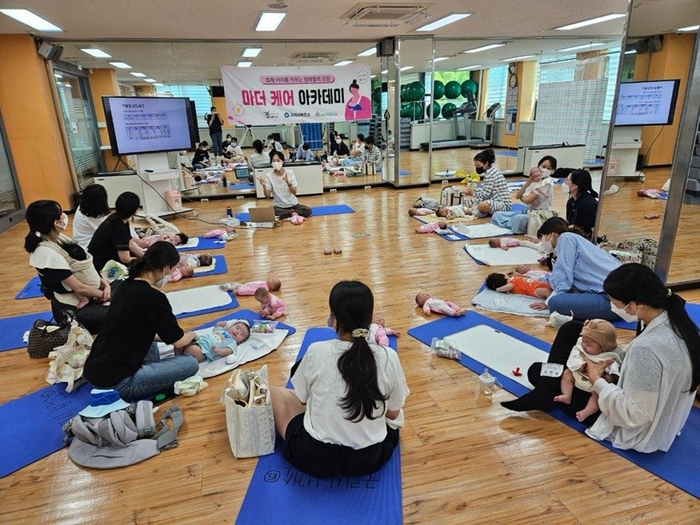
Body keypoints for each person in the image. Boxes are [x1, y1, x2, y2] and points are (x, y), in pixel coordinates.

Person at [270, 280, 409, 478]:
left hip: (315, 458)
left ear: (333, 319)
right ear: (369, 319)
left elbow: (302, 400)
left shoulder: (316, 351)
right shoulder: (388, 356)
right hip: (369, 459)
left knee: (277, 393)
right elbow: (393, 414)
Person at [584, 264, 700, 452]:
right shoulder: (677, 320)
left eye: (615, 302)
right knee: (572, 331)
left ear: (637, 304)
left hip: (638, 430)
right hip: (665, 414)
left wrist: (596, 379)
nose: (613, 306)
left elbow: (636, 415)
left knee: (539, 371)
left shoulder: (646, 348)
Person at [83, 241, 200, 402]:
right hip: (118, 385)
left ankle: (149, 370)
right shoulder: (155, 298)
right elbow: (178, 341)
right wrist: (192, 334)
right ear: (165, 268)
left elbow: (137, 330)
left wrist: (171, 338)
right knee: (190, 364)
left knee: (149, 331)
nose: (169, 276)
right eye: (172, 271)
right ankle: (148, 372)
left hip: (93, 370)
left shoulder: (124, 285)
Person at [25, 200, 112, 333]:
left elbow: (84, 271)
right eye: (61, 214)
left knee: (128, 292)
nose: (64, 216)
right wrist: (104, 294)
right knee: (125, 314)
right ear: (55, 222)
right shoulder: (45, 253)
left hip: (87, 295)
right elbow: (79, 288)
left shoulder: (57, 239)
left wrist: (104, 284)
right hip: (71, 309)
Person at [530, 217, 621, 320]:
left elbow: (563, 276)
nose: (542, 242)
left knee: (555, 302)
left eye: (542, 237)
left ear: (552, 234)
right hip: (617, 297)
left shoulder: (565, 238)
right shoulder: (576, 240)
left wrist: (548, 302)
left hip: (611, 300)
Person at [554, 319, 624, 422]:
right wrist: (579, 366)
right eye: (584, 341)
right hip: (578, 376)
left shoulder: (609, 357)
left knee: (598, 395)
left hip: (594, 385)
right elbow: (572, 360)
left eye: (589, 345)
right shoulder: (580, 348)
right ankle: (567, 395)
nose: (584, 346)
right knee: (567, 374)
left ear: (603, 348)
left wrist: (611, 377)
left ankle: (586, 411)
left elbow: (615, 371)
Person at [491, 155, 557, 233]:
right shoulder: (535, 179)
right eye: (544, 166)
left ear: (552, 171)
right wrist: (528, 182)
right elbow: (517, 195)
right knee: (497, 214)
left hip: (538, 214)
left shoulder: (547, 182)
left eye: (549, 168)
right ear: (539, 166)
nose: (545, 170)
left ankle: (513, 225)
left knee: (519, 219)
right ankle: (512, 224)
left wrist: (522, 198)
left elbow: (528, 199)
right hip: (527, 210)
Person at [88, 191, 141, 273]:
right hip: (102, 267)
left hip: (99, 259)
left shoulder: (117, 218)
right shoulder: (118, 228)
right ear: (136, 211)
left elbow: (129, 243)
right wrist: (144, 262)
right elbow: (125, 258)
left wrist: (144, 257)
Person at [256, 151, 312, 219]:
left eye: (278, 160)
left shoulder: (290, 173)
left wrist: (288, 183)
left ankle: (289, 213)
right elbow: (267, 196)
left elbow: (294, 192)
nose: (276, 163)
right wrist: (264, 186)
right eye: (273, 161)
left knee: (308, 210)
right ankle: (292, 213)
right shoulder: (269, 176)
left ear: (282, 162)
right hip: (279, 206)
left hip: (293, 204)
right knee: (270, 211)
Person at [460, 149, 510, 217]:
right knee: (474, 200)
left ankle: (472, 211)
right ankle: (470, 208)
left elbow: (485, 195)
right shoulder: (490, 172)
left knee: (481, 205)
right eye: (476, 166)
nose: (477, 168)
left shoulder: (490, 174)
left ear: (486, 163)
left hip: (502, 205)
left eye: (478, 166)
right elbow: (486, 191)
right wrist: (475, 191)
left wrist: (472, 193)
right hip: (493, 199)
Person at [177, 320, 251, 363]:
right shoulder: (221, 331)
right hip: (198, 340)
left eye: (241, 334)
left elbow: (228, 350)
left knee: (193, 350)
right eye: (237, 328)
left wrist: (220, 351)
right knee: (190, 335)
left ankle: (180, 360)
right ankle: (178, 355)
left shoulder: (233, 342)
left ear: (241, 341)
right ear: (231, 327)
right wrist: (226, 323)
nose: (238, 332)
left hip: (205, 351)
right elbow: (218, 324)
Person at [72, 184, 110, 249]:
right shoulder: (92, 215)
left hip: (81, 242)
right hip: (87, 246)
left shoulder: (83, 207)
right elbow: (110, 230)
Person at [565, 169, 599, 239]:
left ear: (575, 186)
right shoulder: (570, 202)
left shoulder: (588, 204)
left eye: (567, 180)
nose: (565, 183)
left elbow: (594, 230)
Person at [485, 272, 552, 299]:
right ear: (505, 277)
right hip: (533, 289)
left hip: (537, 283)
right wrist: (498, 289)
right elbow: (510, 286)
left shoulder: (513, 278)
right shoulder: (511, 284)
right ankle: (551, 301)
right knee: (546, 291)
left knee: (549, 287)